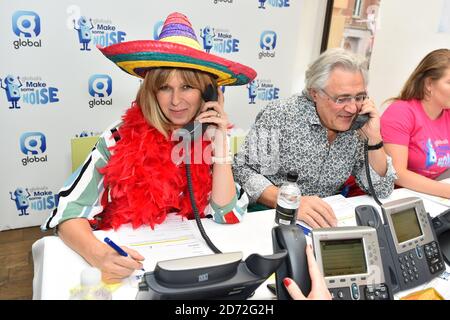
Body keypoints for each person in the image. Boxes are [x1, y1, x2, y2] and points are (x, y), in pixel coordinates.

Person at [41, 12, 255, 283]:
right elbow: (67, 213)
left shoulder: (210, 142)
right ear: (151, 92)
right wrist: (99, 255)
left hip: (190, 267)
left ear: (208, 93)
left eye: (187, 86)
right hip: (132, 269)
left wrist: (220, 144)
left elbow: (229, 215)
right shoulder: (116, 140)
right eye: (165, 88)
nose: (176, 100)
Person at [233, 48, 396, 228]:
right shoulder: (281, 115)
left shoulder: (358, 125)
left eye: (359, 97)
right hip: (272, 217)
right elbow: (243, 169)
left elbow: (382, 189)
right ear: (315, 93)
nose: (351, 108)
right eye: (342, 99)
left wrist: (374, 138)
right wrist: (287, 200)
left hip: (326, 223)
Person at [380, 49, 450, 198]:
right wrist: (446, 192)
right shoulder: (400, 112)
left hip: (432, 195)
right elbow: (397, 173)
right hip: (396, 198)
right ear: (429, 84)